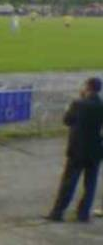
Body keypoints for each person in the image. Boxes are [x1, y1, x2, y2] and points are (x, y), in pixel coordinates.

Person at [45, 77, 103, 222]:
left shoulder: (78, 103)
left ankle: (58, 212)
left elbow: (67, 120)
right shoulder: (100, 105)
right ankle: (83, 213)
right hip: (95, 149)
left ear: (88, 87)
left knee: (69, 182)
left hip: (77, 149)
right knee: (90, 184)